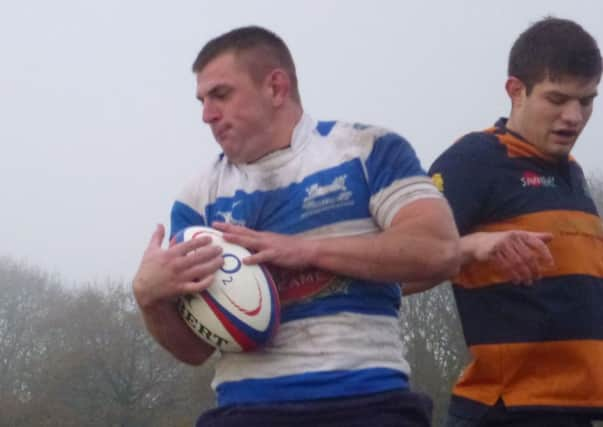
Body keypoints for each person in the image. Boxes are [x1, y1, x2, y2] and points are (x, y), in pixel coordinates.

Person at [132, 26, 460, 427]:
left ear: (275, 87)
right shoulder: (197, 198)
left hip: (369, 403)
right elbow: (196, 350)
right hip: (246, 411)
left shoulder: (367, 150)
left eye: (221, 94)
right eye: (202, 101)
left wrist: (307, 250)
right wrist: (150, 298)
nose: (206, 115)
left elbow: (440, 250)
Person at [411, 17, 602, 427]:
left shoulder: (573, 174)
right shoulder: (474, 160)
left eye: (586, 100)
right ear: (515, 91)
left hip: (577, 412)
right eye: (557, 99)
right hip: (502, 411)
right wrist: (469, 247)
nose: (574, 116)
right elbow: (396, 268)